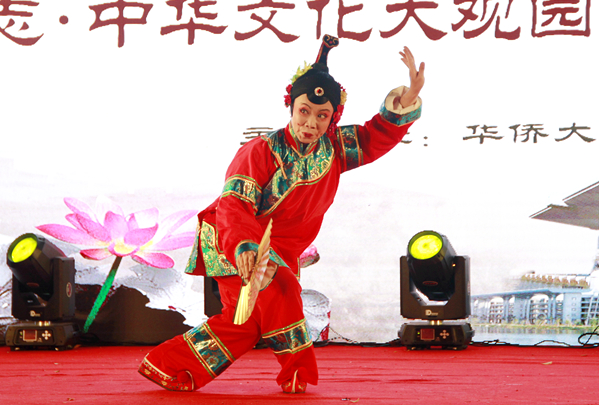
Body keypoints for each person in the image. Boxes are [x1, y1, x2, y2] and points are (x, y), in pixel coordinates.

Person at [138, 34, 425, 394]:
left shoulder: (334, 148)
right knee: (283, 290)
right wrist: (243, 246)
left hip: (278, 250)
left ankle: (168, 366)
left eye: (322, 115)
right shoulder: (260, 151)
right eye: (304, 111)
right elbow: (233, 205)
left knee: (245, 325)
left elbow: (374, 136)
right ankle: (297, 372)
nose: (311, 123)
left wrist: (407, 100)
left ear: (333, 117)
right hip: (234, 240)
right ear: (291, 106)